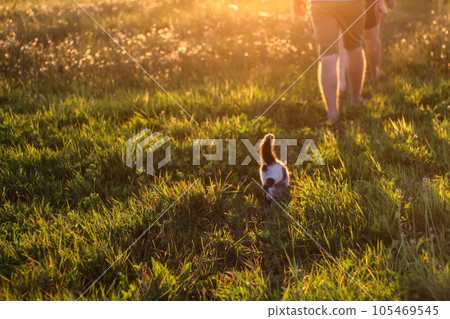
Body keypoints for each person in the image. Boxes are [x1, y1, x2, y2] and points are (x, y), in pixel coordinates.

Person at [307, 0, 367, 123]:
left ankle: (332, 113)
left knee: (328, 55)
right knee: (354, 48)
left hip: (321, 4)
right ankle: (355, 99)